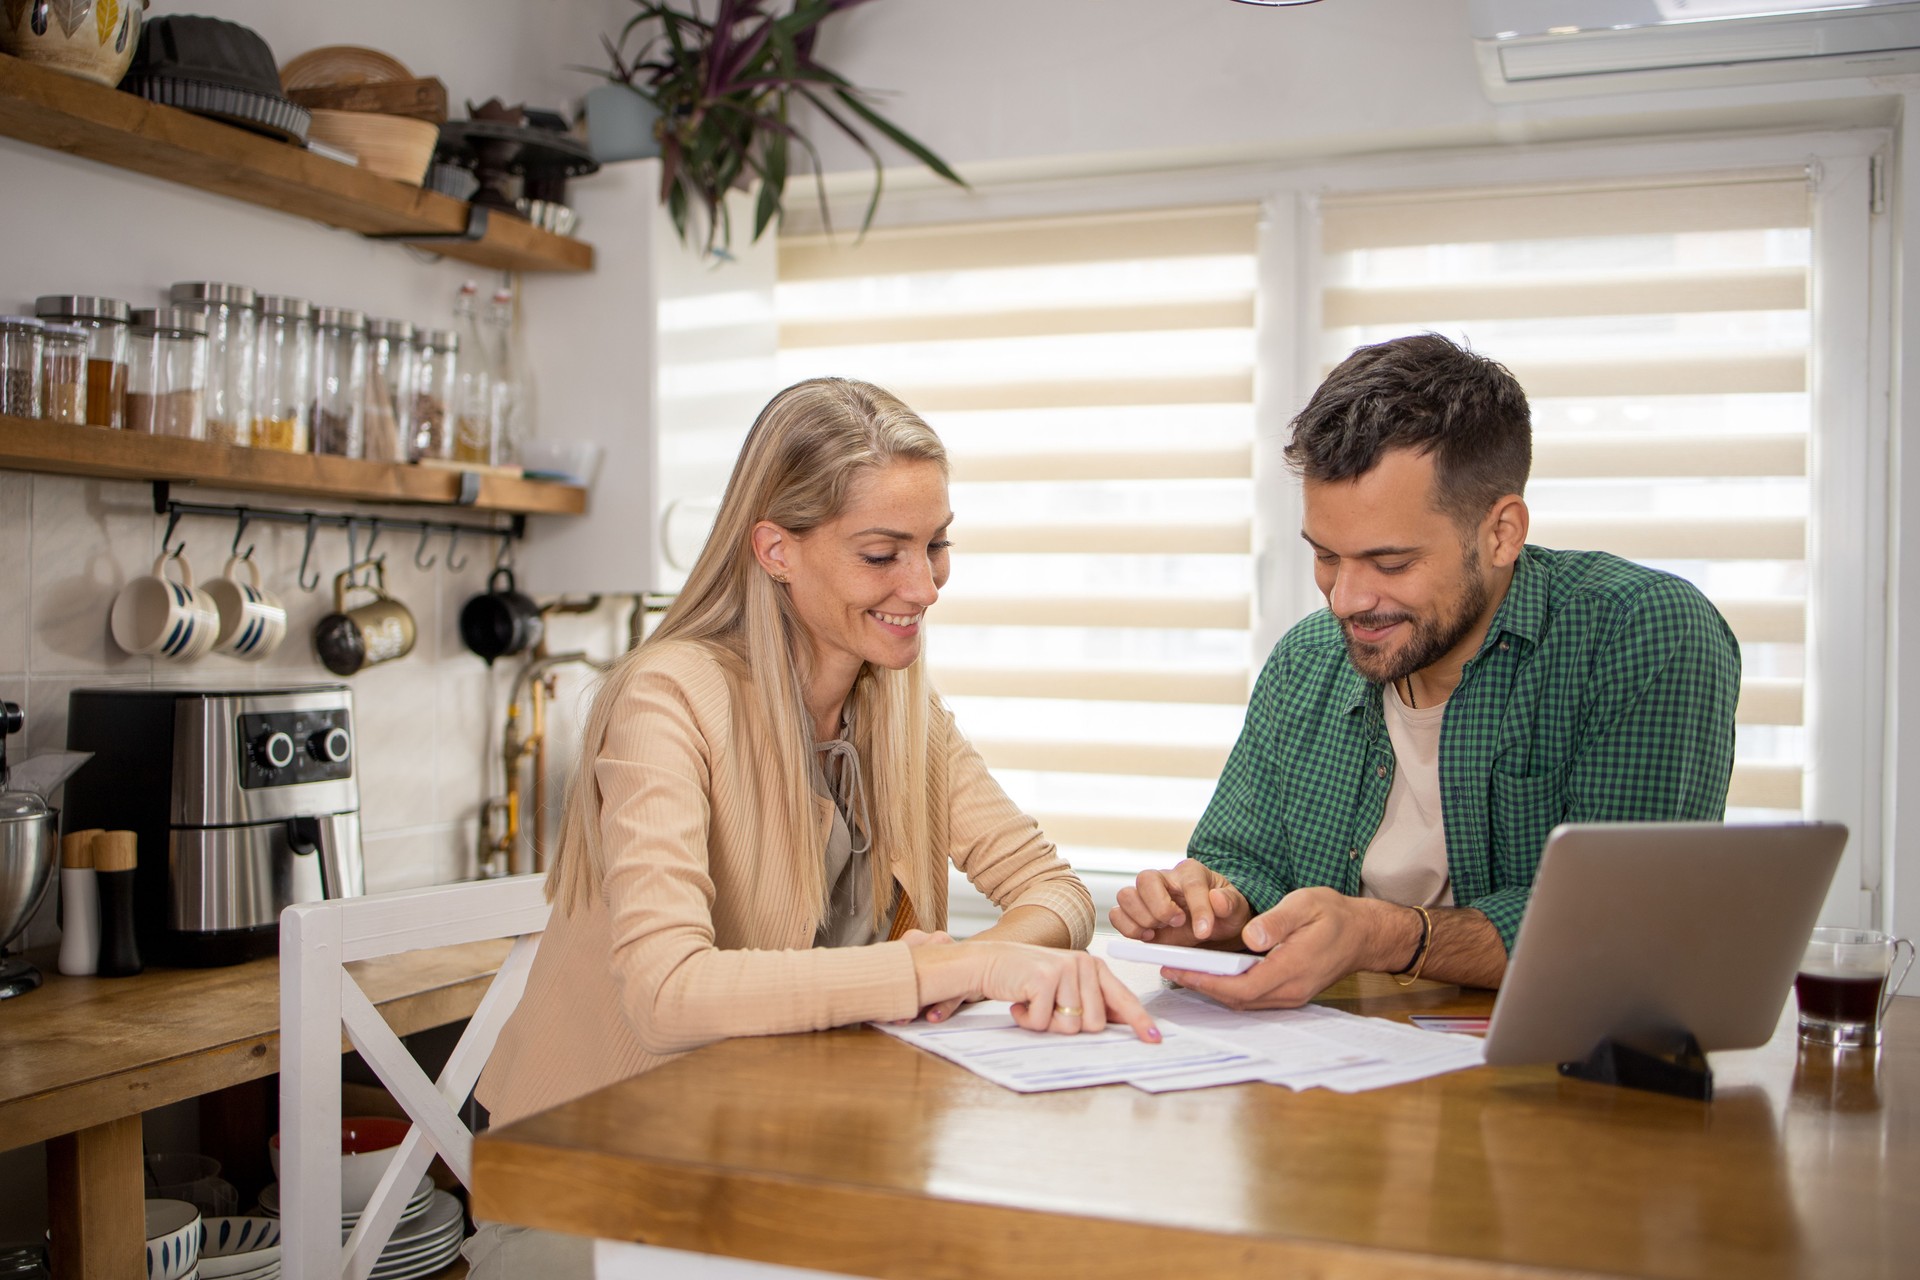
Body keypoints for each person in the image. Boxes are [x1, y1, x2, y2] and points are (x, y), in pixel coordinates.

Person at [466, 378, 1156, 1273]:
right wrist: (947, 964)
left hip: (775, 1150)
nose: (925, 586)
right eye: (883, 554)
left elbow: (1053, 890)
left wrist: (985, 962)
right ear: (776, 549)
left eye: (937, 547)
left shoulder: (900, 703)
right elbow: (665, 992)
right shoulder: (670, 696)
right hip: (598, 1179)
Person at [1112, 333, 1741, 1009]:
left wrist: (1382, 935)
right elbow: (1245, 871)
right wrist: (1215, 916)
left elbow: (1618, 931)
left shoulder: (1641, 635)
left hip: (1549, 1088)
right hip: (1324, 1084)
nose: (1346, 600)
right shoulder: (1304, 663)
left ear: (1501, 533)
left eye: (1390, 564)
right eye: (1326, 555)